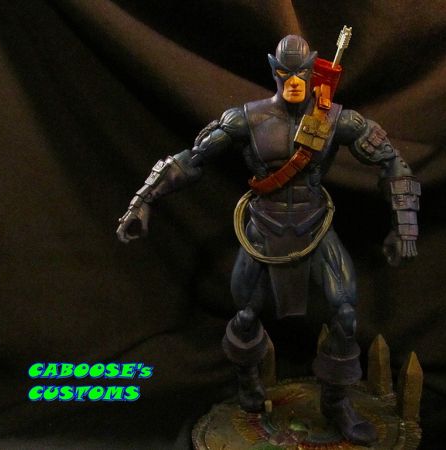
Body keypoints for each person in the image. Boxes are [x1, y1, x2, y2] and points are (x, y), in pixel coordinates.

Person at [116, 35, 420, 446]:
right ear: (273, 71)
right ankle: (248, 384)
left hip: (315, 226)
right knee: (245, 316)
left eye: (300, 74)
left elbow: (393, 162)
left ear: (312, 73)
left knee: (346, 314)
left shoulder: (337, 119)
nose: (293, 82)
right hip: (262, 227)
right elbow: (192, 159)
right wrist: (143, 201)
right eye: (284, 73)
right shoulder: (244, 119)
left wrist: (404, 226)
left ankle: (336, 402)